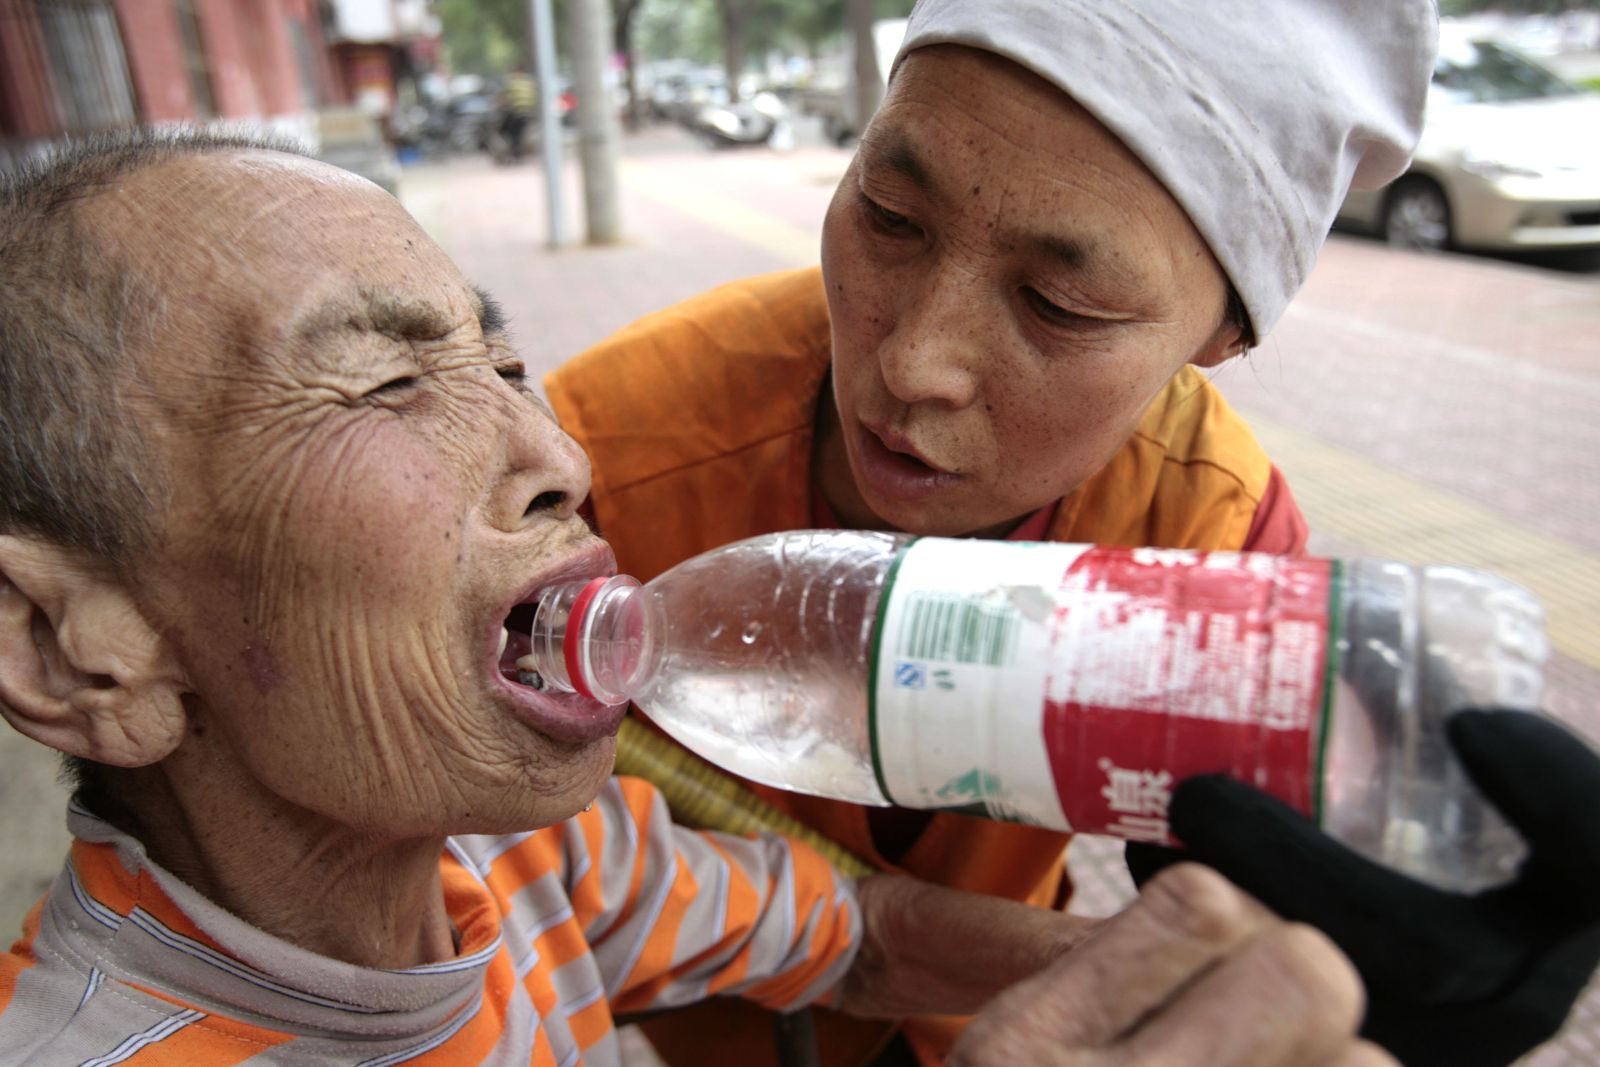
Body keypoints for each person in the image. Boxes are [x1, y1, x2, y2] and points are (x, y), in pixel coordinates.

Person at [0, 131, 1398, 1067]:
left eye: (505, 366)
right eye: (382, 381)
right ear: (69, 646)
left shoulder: (524, 859)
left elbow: (860, 934)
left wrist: (1187, 987)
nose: (562, 456)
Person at [542, 1, 1600, 1065]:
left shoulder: (1205, 531)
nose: (914, 361)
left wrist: (1368, 939)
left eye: (1061, 303)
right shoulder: (599, 461)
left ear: (1224, 332)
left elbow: (1260, 897)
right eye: (889, 215)